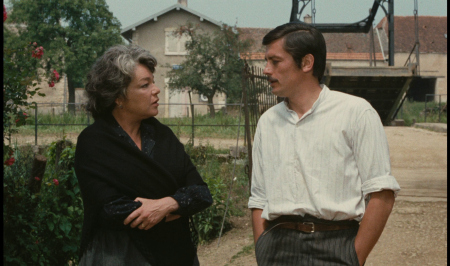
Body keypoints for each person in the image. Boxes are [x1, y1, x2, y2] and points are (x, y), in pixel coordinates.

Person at [248, 22, 400, 266]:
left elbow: (382, 193)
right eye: (267, 61)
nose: (266, 70)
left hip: (336, 245)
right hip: (277, 247)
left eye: (275, 61)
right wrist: (262, 248)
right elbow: (258, 198)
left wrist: (354, 256)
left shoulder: (356, 112)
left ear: (307, 63)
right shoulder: (267, 122)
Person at [74, 45, 213, 266]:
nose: (156, 90)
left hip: (176, 254)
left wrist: (166, 205)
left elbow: (202, 193)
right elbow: (110, 210)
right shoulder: (94, 143)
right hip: (117, 255)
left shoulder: (162, 136)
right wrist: (179, 203)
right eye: (145, 85)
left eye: (153, 82)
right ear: (118, 96)